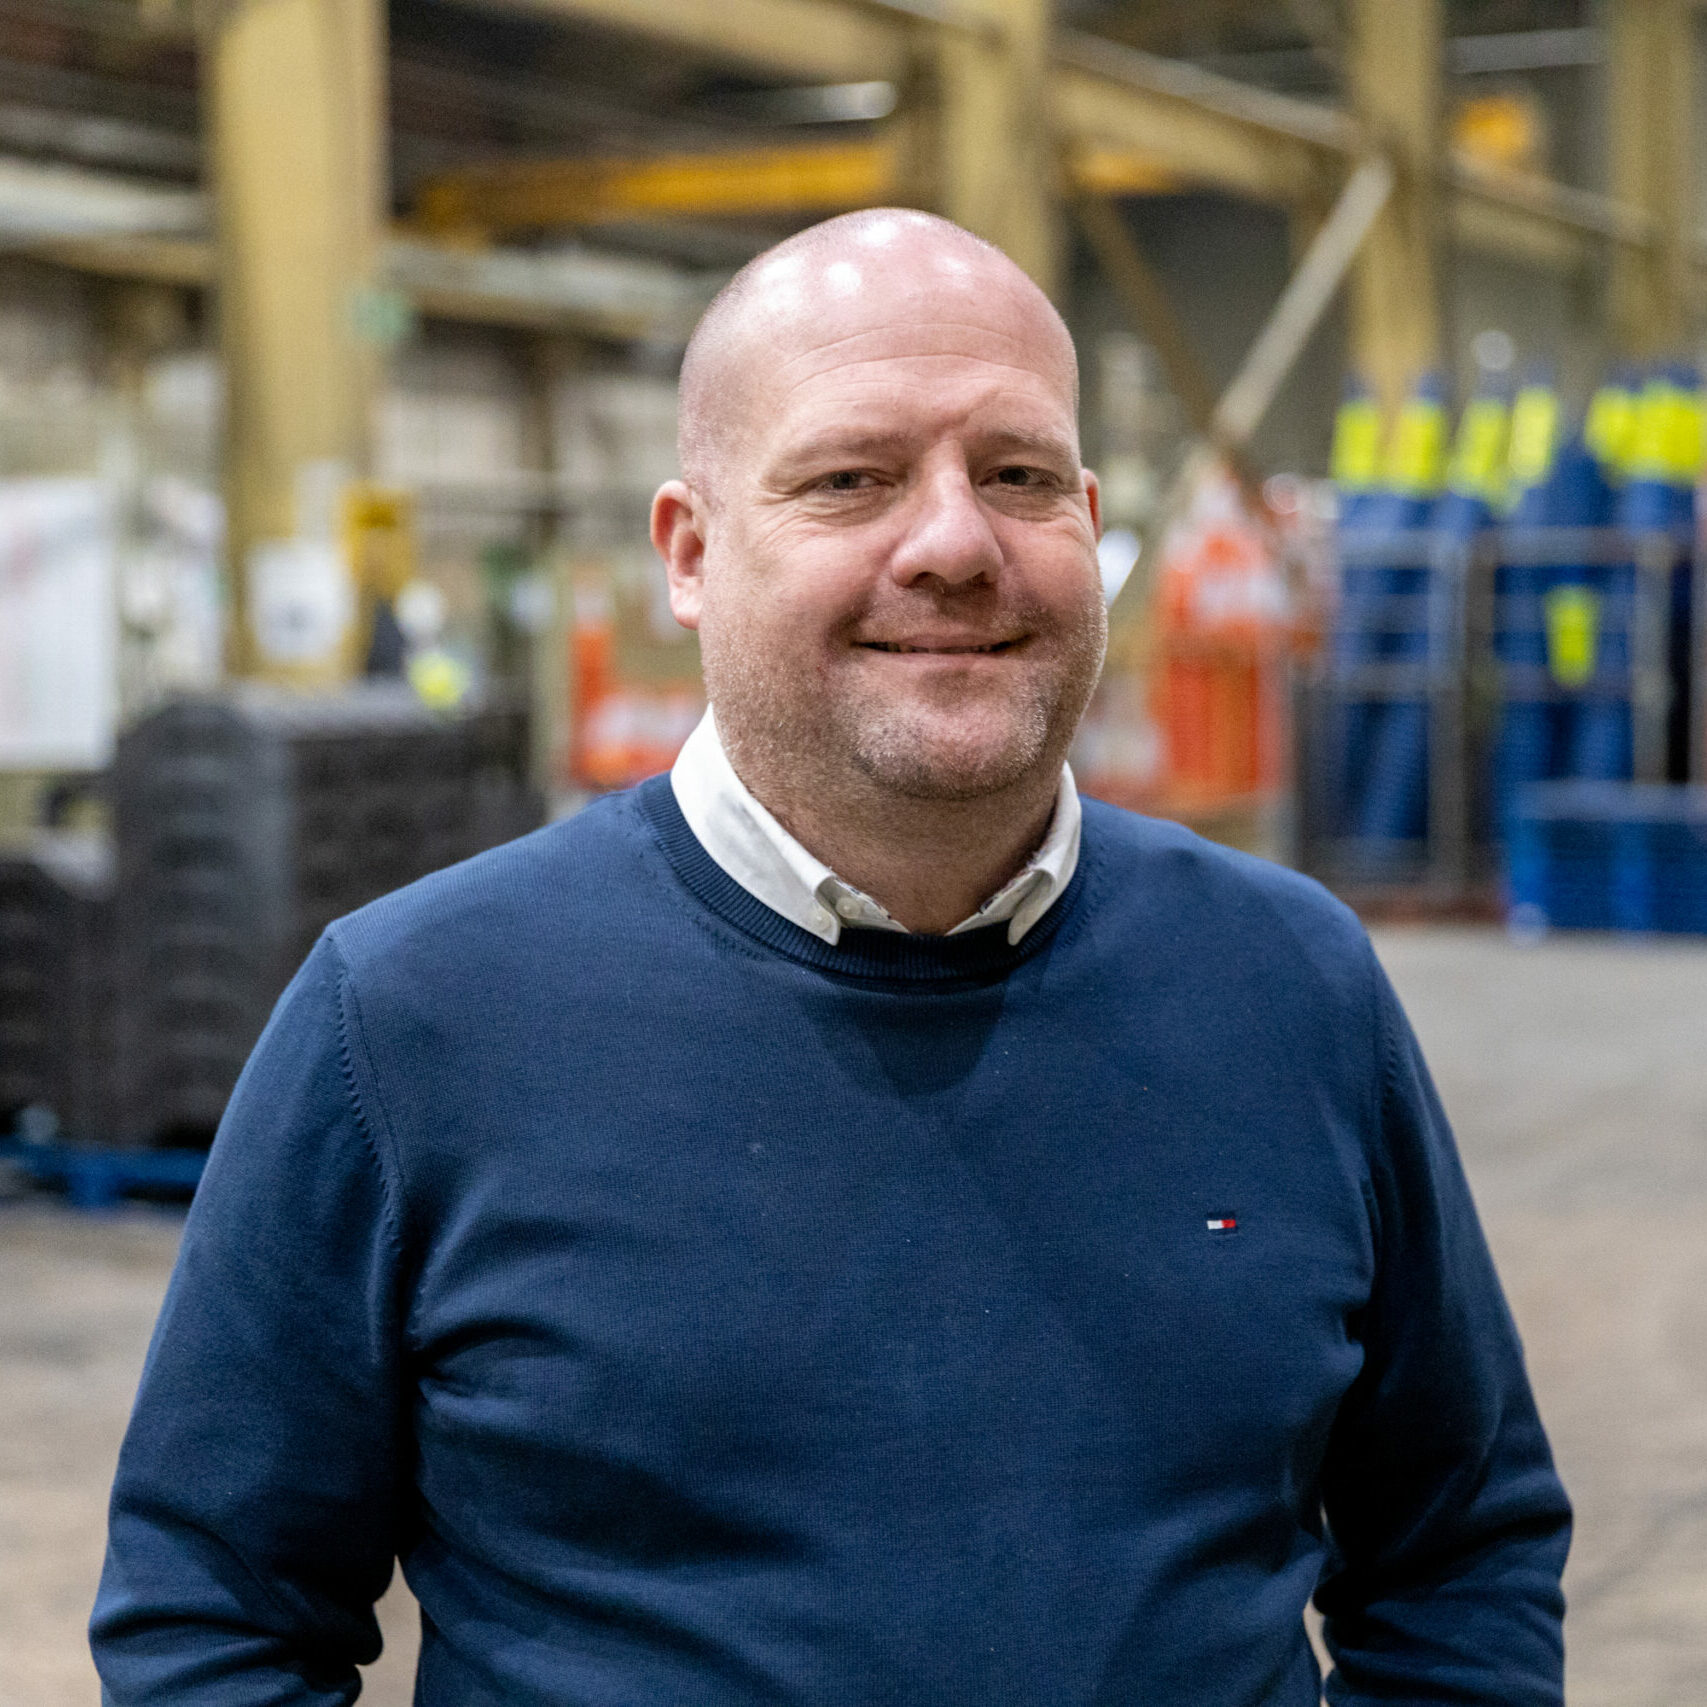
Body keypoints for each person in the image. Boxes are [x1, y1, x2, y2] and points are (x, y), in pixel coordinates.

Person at [92, 209, 1569, 1706]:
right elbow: (215, 1614)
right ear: (691, 550)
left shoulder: (1292, 986)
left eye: (1019, 477)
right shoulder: (409, 1020)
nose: (953, 544)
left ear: (1089, 523)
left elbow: (1461, 1552)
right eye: (851, 480)